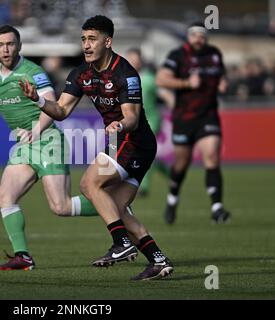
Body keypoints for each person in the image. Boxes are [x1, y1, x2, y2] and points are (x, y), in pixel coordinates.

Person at [20, 15, 173, 280]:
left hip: (132, 141)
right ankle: (158, 260)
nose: (86, 45)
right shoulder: (81, 74)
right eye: (83, 39)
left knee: (88, 184)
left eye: (92, 39)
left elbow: (133, 117)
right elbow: (62, 110)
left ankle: (121, 244)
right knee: (117, 207)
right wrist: (38, 100)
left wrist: (120, 126)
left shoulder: (125, 72)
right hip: (126, 143)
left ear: (108, 41)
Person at [0, 25, 100, 271]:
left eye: (10, 44)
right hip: (23, 145)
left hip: (47, 140)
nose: (6, 49)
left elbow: (53, 105)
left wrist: (37, 130)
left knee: (60, 207)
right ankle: (23, 257)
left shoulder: (33, 72)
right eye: (1, 45)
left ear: (19, 46)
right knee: (4, 197)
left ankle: (114, 207)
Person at [156, 22, 231, 224]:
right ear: (189, 37)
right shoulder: (178, 55)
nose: (199, 38)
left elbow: (222, 75)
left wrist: (224, 82)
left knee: (212, 155)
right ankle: (172, 198)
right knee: (181, 163)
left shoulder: (214, 53)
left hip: (208, 115)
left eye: (202, 35)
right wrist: (187, 83)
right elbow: (161, 79)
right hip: (184, 117)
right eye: (195, 35)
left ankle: (217, 208)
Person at [125, 48, 170, 196]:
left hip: (151, 120)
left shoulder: (148, 78)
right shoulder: (122, 78)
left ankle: (143, 187)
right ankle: (171, 174)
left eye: (136, 59)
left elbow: (164, 94)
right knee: (144, 154)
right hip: (133, 122)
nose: (133, 62)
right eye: (131, 58)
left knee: (142, 152)